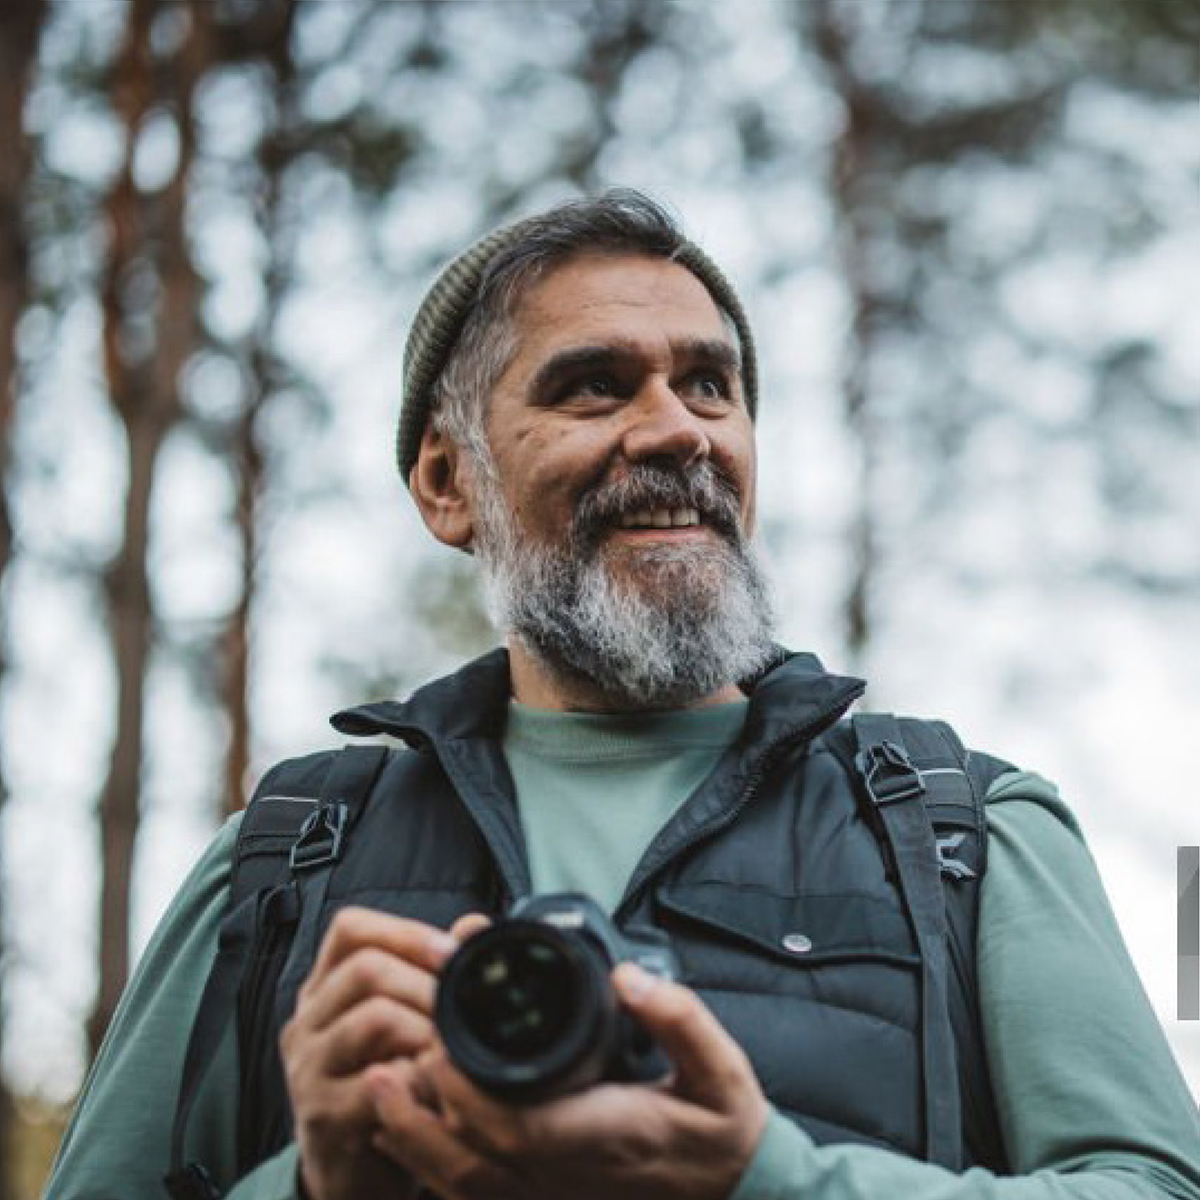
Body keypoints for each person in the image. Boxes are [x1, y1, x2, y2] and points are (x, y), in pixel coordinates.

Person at [46, 190, 1200, 1200]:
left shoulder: (968, 829)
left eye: (710, 384)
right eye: (594, 387)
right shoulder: (285, 856)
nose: (677, 431)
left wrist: (773, 1182)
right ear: (451, 485)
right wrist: (312, 1184)